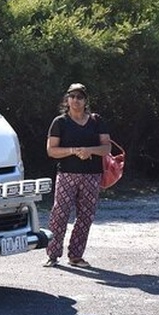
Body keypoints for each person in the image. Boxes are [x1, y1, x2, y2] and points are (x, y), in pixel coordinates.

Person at [44, 82, 111, 268]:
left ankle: (76, 256)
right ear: (67, 99)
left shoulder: (97, 121)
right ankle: (53, 254)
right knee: (60, 213)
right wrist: (73, 151)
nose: (75, 100)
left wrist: (90, 150)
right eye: (72, 96)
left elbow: (107, 147)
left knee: (85, 216)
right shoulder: (60, 122)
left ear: (85, 100)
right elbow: (51, 150)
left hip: (92, 175)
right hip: (66, 174)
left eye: (79, 97)